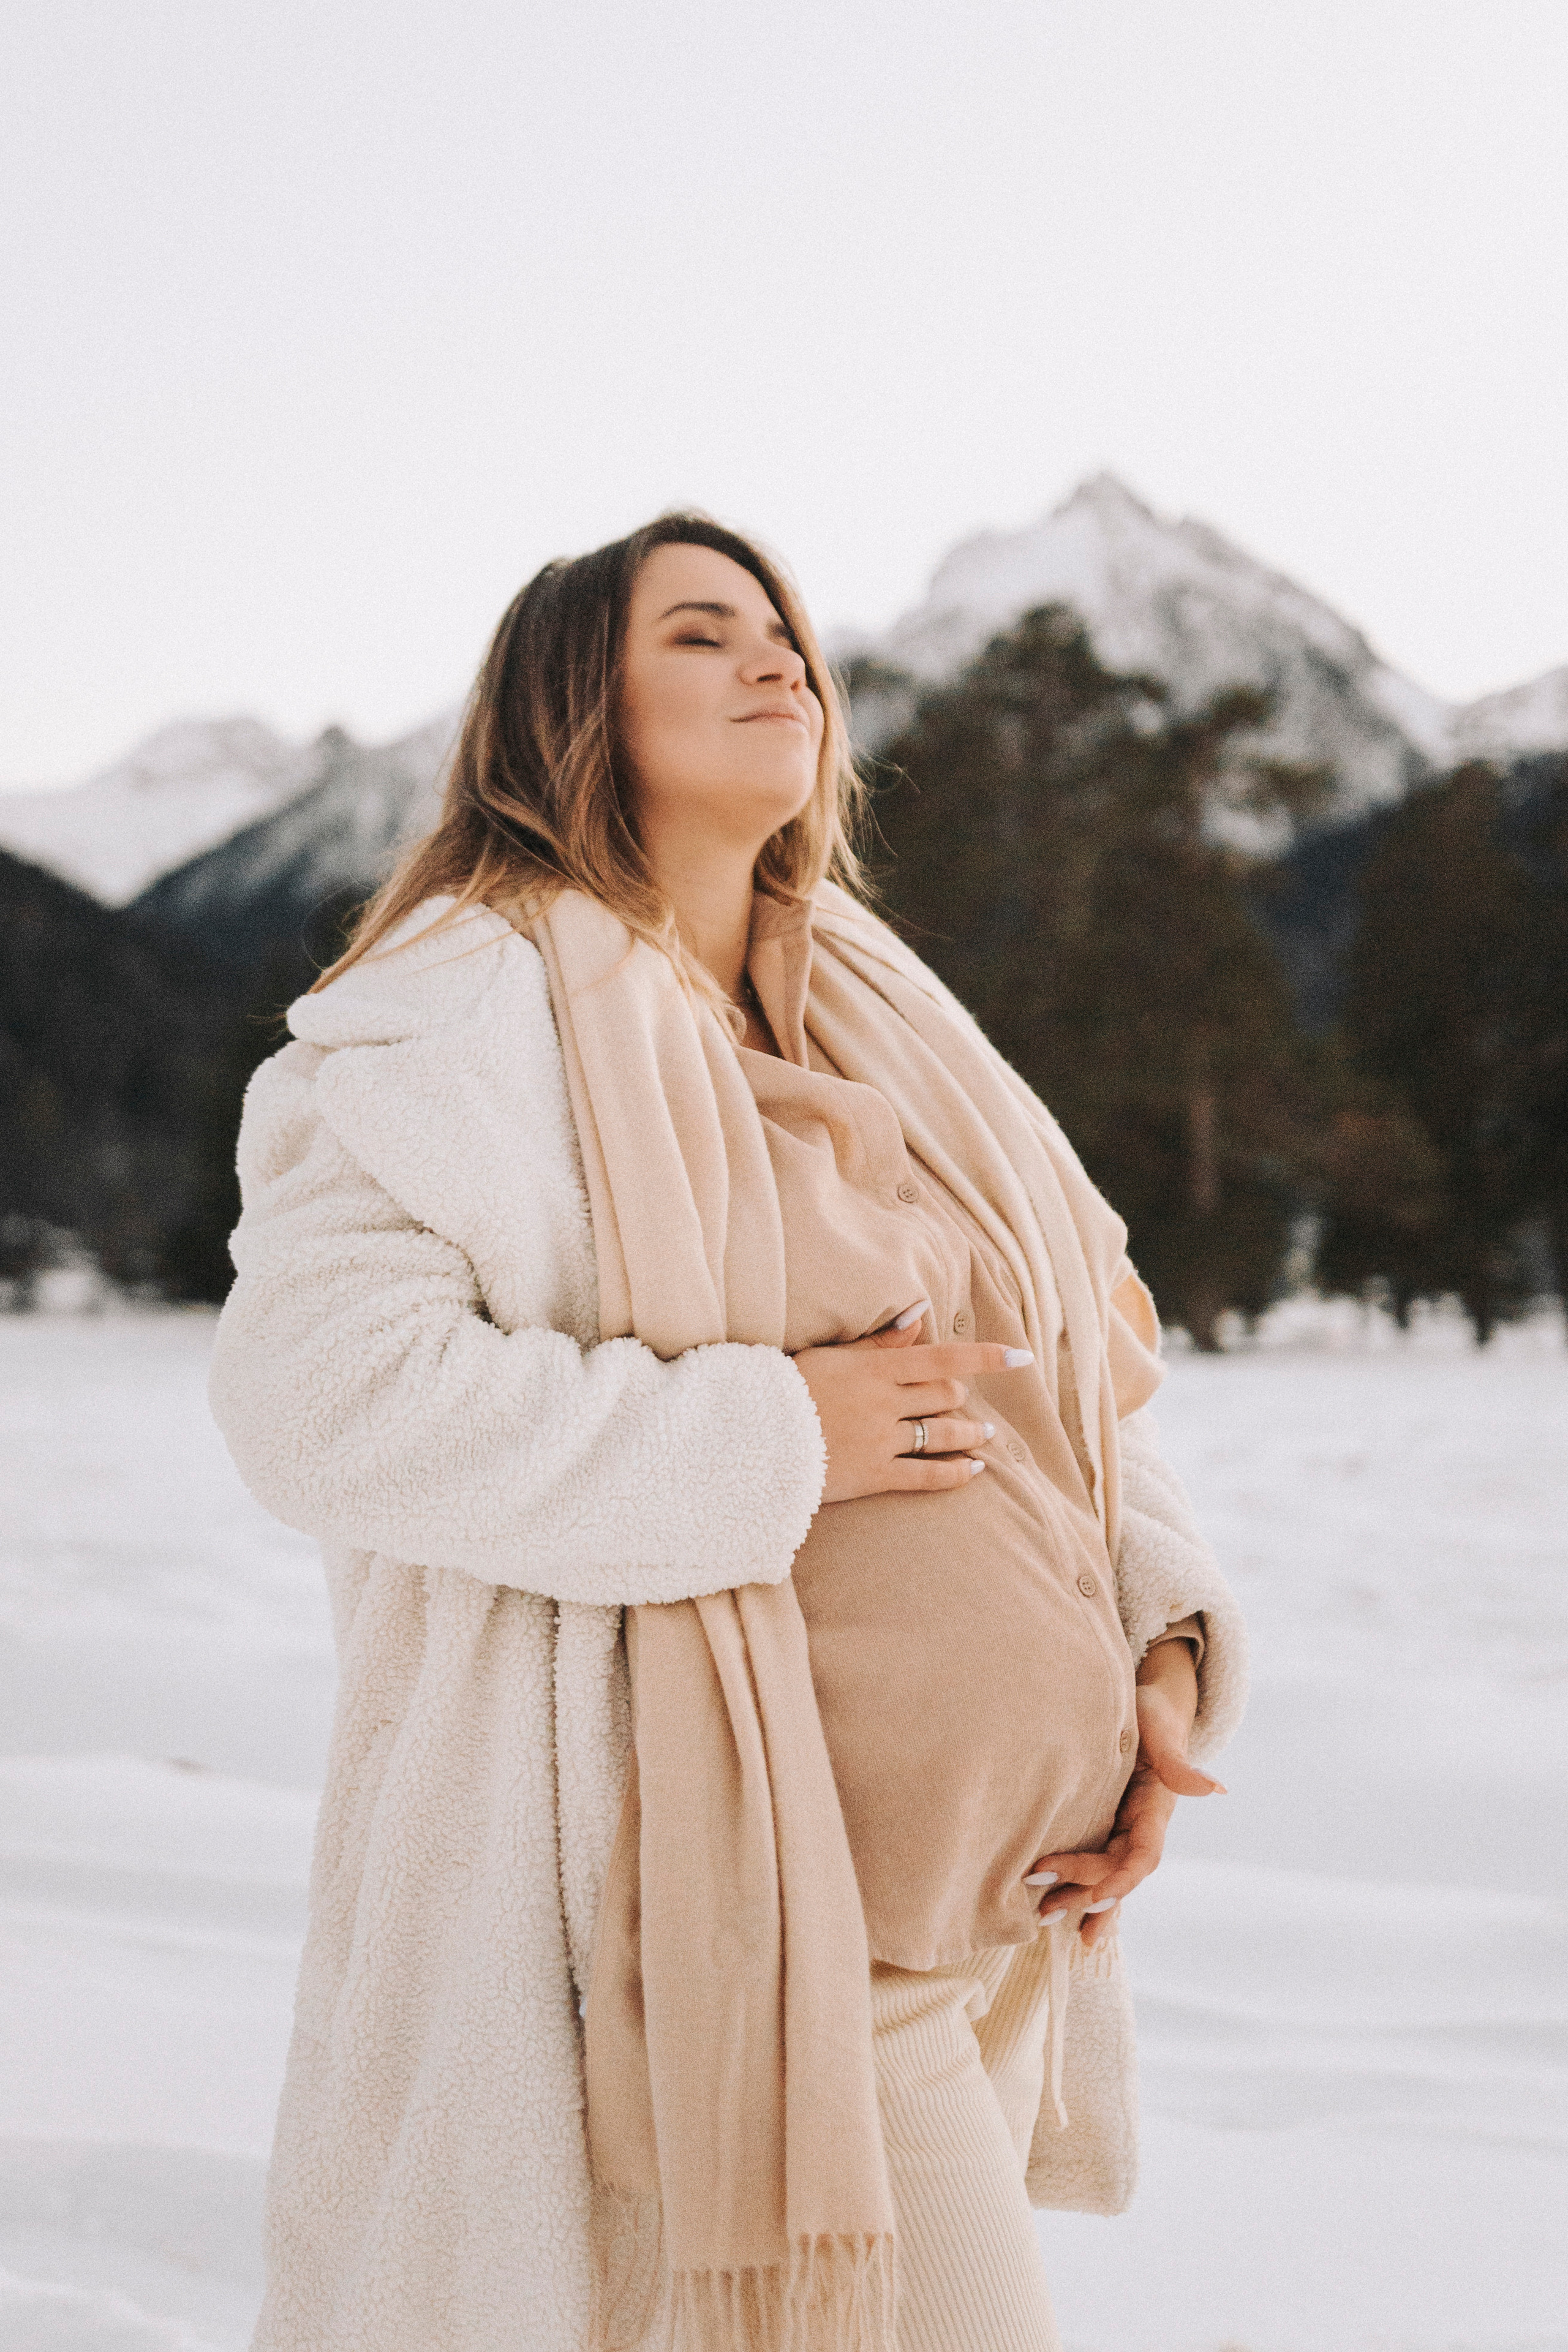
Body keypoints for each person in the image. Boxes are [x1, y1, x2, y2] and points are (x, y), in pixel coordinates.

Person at [208, 511, 1247, 2352]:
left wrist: (1156, 1653)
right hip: (736, 1929)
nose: (782, 661)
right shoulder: (438, 1034)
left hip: (971, 1905)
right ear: (573, 710)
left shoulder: (884, 1020)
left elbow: (1074, 1369)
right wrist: (777, 1435)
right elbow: (325, 1406)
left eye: (784, 632)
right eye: (703, 635)